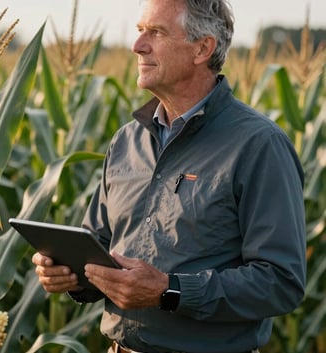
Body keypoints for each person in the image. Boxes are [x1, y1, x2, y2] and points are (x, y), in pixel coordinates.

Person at [32, 0, 306, 352]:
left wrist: (169, 290)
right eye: (139, 31)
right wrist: (70, 273)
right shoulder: (126, 141)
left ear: (202, 48)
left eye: (156, 32)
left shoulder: (259, 145)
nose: (137, 45)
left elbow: (281, 283)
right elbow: (99, 250)